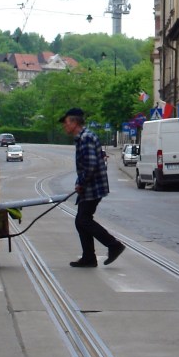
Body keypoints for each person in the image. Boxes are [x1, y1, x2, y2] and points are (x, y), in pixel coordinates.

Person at [59, 108, 125, 268]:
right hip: (91, 185)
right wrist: (80, 181)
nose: (64, 127)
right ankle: (89, 257)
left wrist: (81, 183)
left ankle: (113, 245)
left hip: (93, 186)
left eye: (66, 123)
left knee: (83, 220)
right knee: (81, 221)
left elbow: (90, 165)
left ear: (74, 122)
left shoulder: (86, 138)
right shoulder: (82, 137)